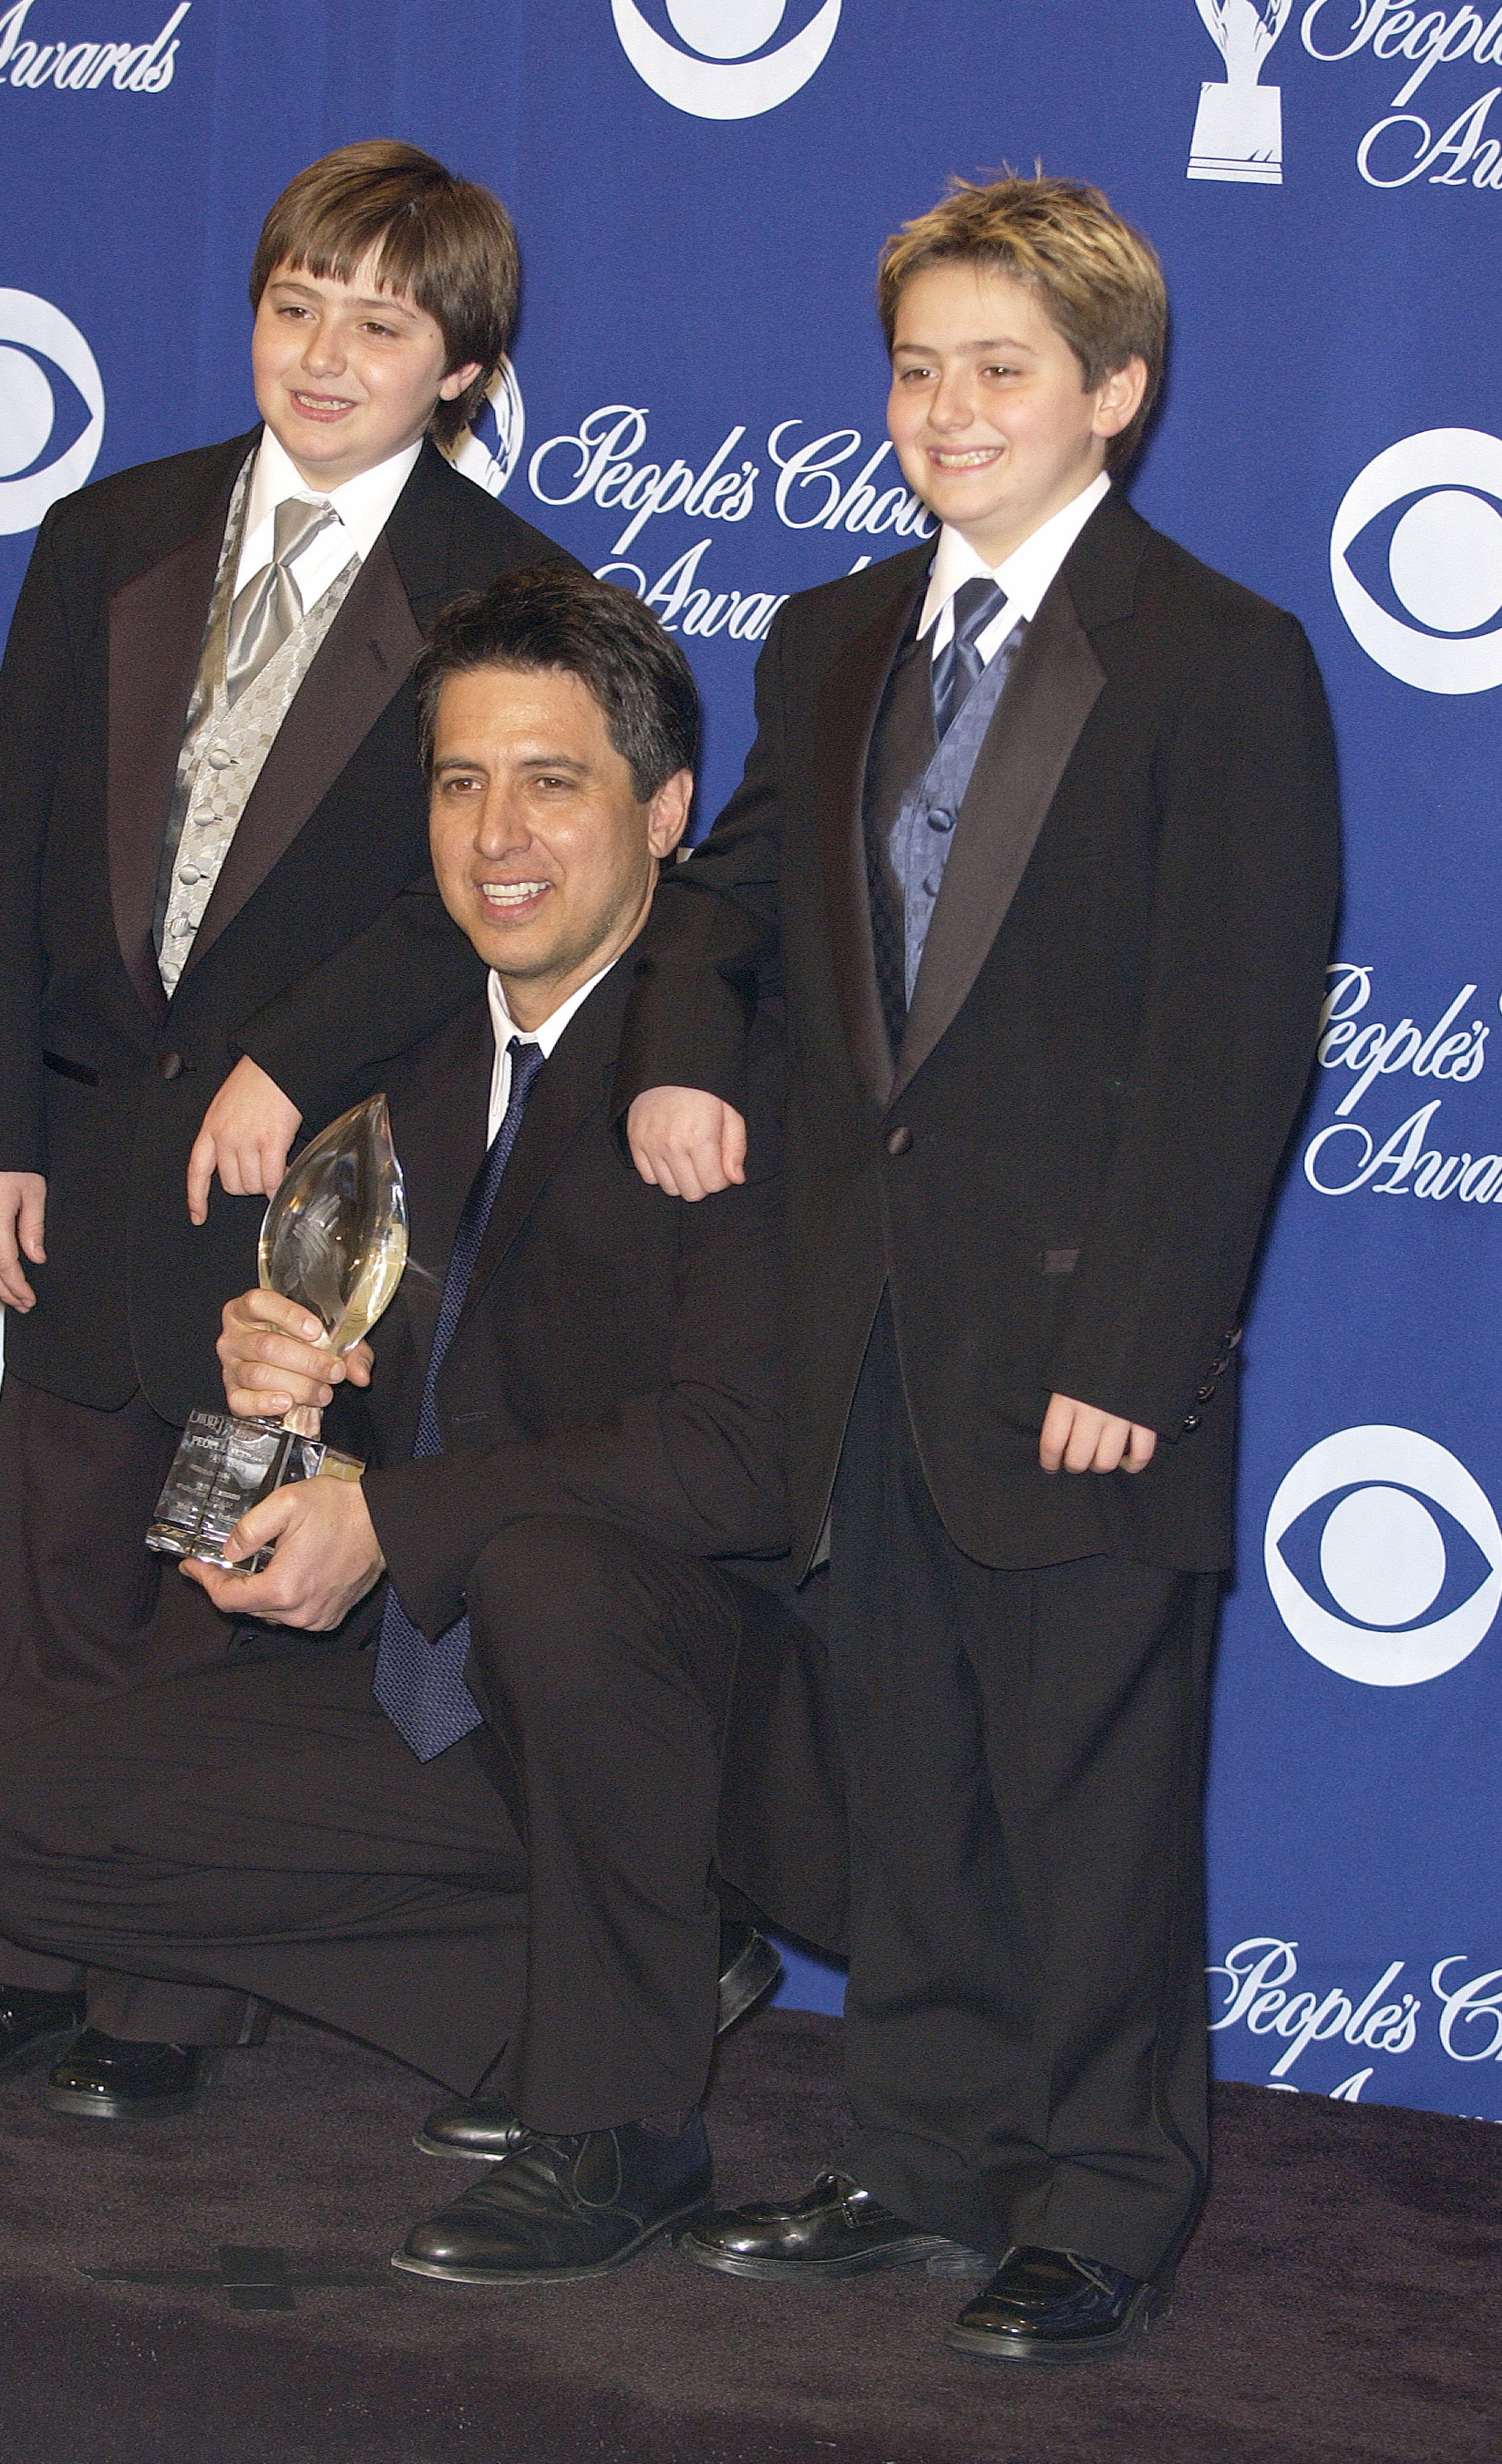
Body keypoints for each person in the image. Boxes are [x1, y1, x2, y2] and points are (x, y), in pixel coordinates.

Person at [616, 176, 1341, 2359]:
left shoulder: (1222, 658)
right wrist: (675, 1051)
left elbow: (1230, 1045)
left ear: (1113, 396)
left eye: (998, 368)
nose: (943, 408)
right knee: (907, 1774)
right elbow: (728, 898)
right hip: (862, 1339)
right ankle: (924, 2158)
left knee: (1090, 1803)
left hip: (1082, 1345)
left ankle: (1108, 2189)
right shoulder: (831, 635)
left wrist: (1139, 1339)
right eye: (917, 366)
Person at [0, 567, 847, 2285]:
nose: (497, 832)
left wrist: (399, 1523)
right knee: (16, 1828)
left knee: (559, 1577)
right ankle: (578, 1980)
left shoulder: (733, 1076)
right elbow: (382, 1417)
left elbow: (740, 1461)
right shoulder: (412, 1073)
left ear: (665, 812)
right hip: (466, 1719)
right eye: (458, 781)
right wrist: (282, 1404)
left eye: (551, 781)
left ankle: (616, 2125)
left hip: (715, 1710)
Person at [0, 141, 579, 2115]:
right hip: (84, 1146)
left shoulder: (510, 593)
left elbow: (499, 885)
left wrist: (289, 1053)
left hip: (313, 1178)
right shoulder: (112, 530)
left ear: (463, 369)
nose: (324, 353)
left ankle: (160, 2004)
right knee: (58, 1555)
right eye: (295, 304)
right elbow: (8, 849)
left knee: (218, 1567)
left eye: (381, 321)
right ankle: (16, 1957)